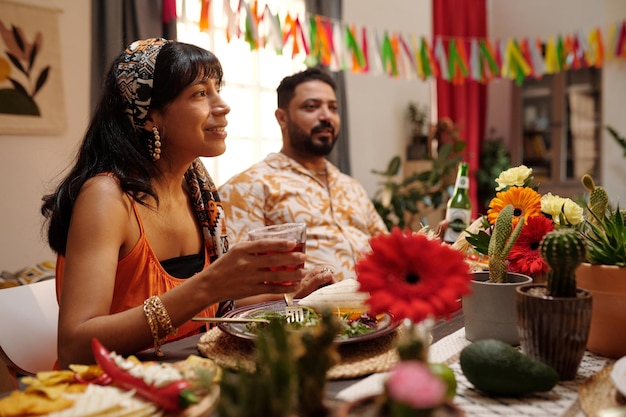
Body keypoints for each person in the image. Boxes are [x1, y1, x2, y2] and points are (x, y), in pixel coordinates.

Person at [41, 38, 306, 369]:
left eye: (217, 88)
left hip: (192, 377)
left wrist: (290, 293)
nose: (222, 105)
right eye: (199, 93)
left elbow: (214, 305)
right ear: (150, 116)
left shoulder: (198, 191)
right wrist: (209, 284)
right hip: (111, 394)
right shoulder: (107, 197)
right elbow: (74, 347)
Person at [219, 67, 388, 300]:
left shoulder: (351, 187)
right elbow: (231, 293)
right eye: (311, 107)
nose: (326, 116)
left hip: (381, 316)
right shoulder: (247, 186)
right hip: (306, 328)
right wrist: (295, 295)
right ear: (282, 118)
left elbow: (389, 253)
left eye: (333, 108)